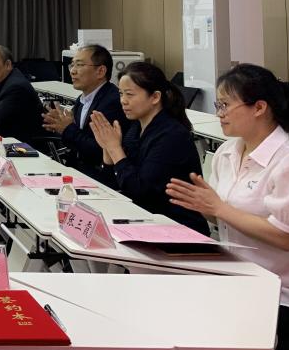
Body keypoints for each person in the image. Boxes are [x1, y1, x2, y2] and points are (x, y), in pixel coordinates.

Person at [167, 64, 289, 350]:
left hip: (279, 291)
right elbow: (223, 217)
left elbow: (286, 238)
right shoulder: (227, 152)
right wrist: (203, 207)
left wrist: (218, 208)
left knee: (188, 326)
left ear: (259, 108)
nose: (219, 113)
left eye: (226, 105)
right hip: (233, 276)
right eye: (218, 105)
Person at [89, 62, 208, 235]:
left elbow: (140, 190)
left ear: (155, 97)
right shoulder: (135, 128)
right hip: (146, 220)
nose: (123, 101)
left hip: (179, 229)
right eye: (121, 93)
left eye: (130, 94)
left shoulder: (171, 135)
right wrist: (108, 152)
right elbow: (115, 184)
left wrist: (115, 149)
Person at [42, 44, 126, 178]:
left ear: (101, 71)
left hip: (98, 176)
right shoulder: (82, 98)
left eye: (79, 65)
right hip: (76, 170)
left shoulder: (112, 102)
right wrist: (60, 127)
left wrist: (67, 129)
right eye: (72, 65)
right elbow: (77, 143)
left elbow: (100, 150)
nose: (72, 71)